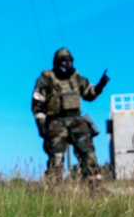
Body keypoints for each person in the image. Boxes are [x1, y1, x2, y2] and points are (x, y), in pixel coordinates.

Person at [31, 47, 109, 187]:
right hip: (56, 122)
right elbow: (38, 104)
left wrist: (99, 87)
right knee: (56, 158)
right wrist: (41, 125)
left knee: (88, 153)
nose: (67, 65)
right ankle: (54, 189)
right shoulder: (46, 79)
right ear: (57, 62)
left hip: (76, 120)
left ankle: (95, 187)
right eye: (64, 62)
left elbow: (88, 94)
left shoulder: (76, 78)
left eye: (70, 61)